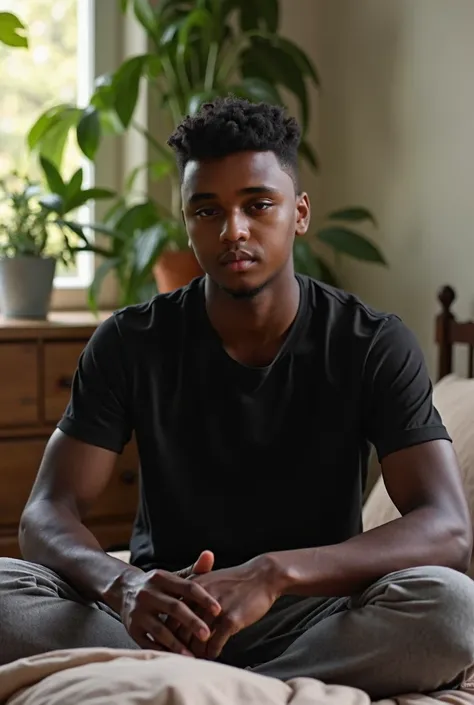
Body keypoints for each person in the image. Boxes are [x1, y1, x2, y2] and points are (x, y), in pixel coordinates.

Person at [0, 97, 473, 700]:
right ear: (187, 222)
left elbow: (447, 527)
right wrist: (124, 586)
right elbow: (46, 512)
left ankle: (208, 686)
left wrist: (274, 574)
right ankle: (222, 680)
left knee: (453, 610)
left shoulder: (371, 343)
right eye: (208, 210)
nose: (233, 231)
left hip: (314, 613)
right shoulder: (129, 341)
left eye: (258, 205)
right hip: (159, 615)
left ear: (298, 213)